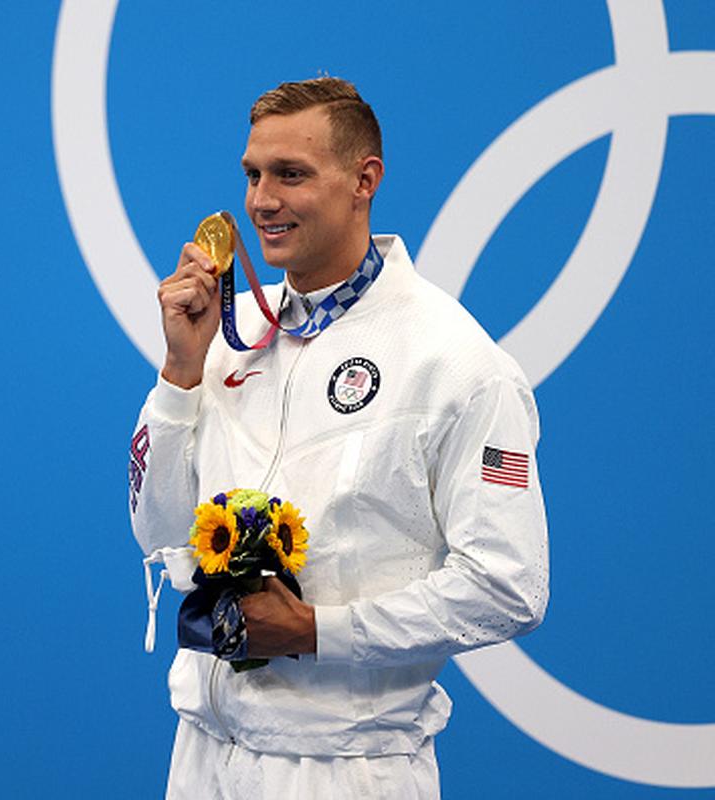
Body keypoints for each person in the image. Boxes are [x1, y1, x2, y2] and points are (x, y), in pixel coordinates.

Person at [128, 78, 549, 799]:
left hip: (344, 770)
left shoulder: (457, 363)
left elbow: (509, 588)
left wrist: (319, 631)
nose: (261, 200)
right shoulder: (232, 337)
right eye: (253, 174)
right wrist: (179, 372)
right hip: (201, 755)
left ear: (364, 180)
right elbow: (158, 534)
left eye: (291, 174)